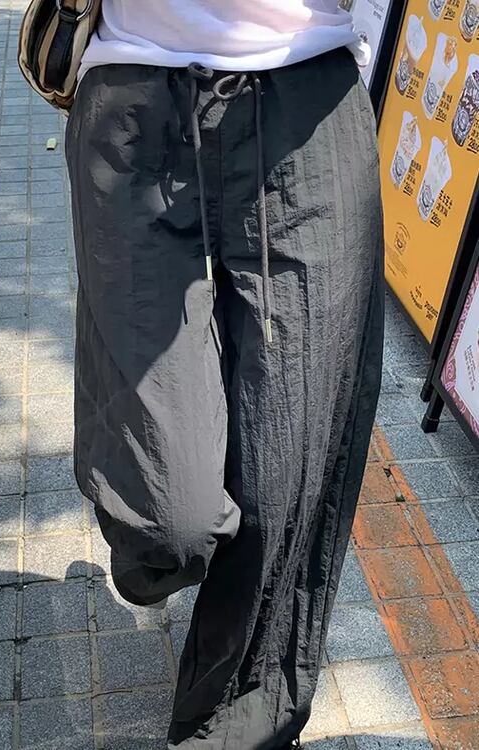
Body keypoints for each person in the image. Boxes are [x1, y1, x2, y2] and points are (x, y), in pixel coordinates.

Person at [65, 2, 385, 748]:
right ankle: (154, 552)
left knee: (286, 486)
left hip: (308, 97)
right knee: (169, 519)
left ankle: (237, 723)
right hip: (135, 90)